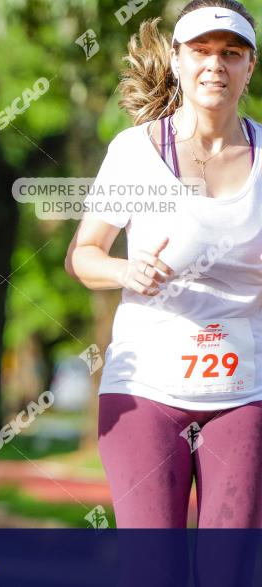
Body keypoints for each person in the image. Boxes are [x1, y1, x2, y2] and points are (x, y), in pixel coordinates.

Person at [66, 0, 262, 528]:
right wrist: (124, 271)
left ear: (250, 66)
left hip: (246, 393)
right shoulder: (136, 152)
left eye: (231, 53)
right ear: (177, 60)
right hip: (146, 389)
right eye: (200, 51)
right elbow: (83, 256)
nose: (214, 65)